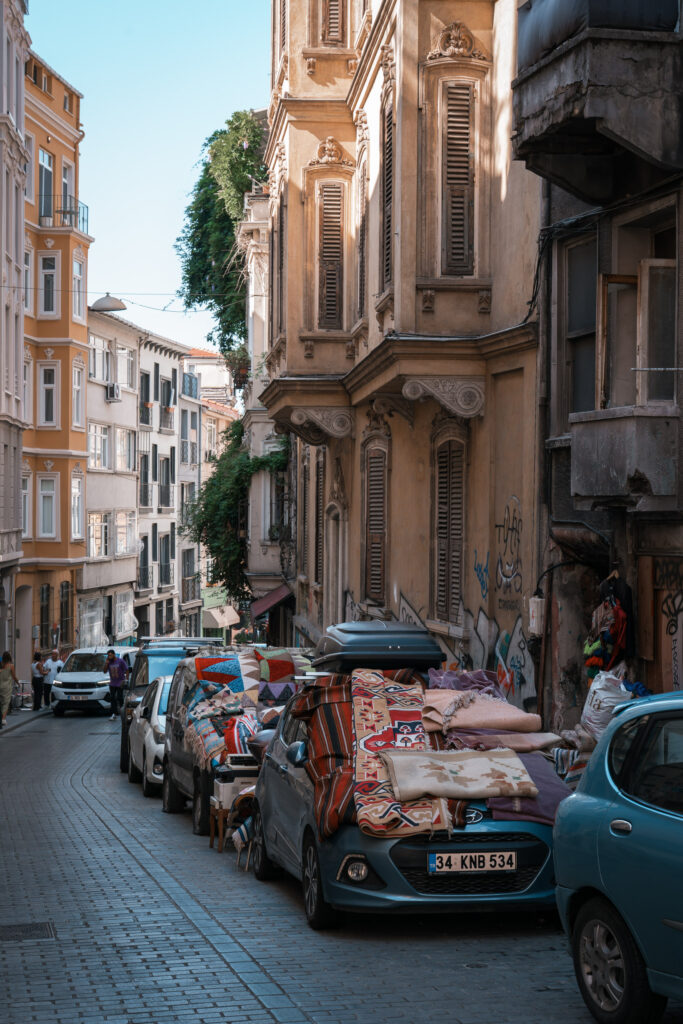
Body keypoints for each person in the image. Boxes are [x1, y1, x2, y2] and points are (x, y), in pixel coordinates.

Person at [105, 649, 129, 720]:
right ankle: (114, 713)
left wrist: (126, 680)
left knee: (119, 697)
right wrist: (106, 663)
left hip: (120, 682)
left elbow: (127, 670)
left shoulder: (120, 661)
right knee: (112, 698)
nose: (109, 657)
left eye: (110, 655)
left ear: (114, 654)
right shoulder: (109, 662)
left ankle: (122, 712)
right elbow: (104, 671)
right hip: (112, 683)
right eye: (108, 655)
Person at [0, 651, 18, 728]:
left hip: (0, 685)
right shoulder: (11, 666)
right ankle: (3, 719)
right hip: (7, 686)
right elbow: (14, 676)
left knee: (1, 702)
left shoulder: (1, 665)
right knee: (6, 703)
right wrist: (18, 682)